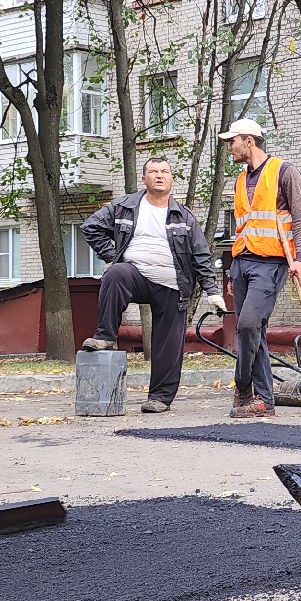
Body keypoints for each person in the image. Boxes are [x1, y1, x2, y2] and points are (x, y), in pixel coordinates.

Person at [78, 157, 224, 413]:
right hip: (137, 274)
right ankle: (105, 336)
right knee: (115, 274)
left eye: (165, 171)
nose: (159, 175)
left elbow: (201, 254)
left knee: (169, 342)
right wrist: (112, 257)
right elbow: (91, 227)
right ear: (144, 178)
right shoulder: (123, 206)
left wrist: (212, 292)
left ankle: (160, 397)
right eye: (154, 171)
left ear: (171, 179)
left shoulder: (184, 216)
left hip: (173, 285)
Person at [219, 117, 301, 419]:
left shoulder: (284, 172)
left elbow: (300, 217)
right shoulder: (241, 180)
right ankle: (264, 399)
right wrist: (232, 268)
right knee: (253, 330)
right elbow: (242, 227)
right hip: (242, 263)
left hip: (270, 263)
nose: (230, 147)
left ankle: (245, 385)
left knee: (247, 325)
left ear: (249, 141)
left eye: (232, 141)